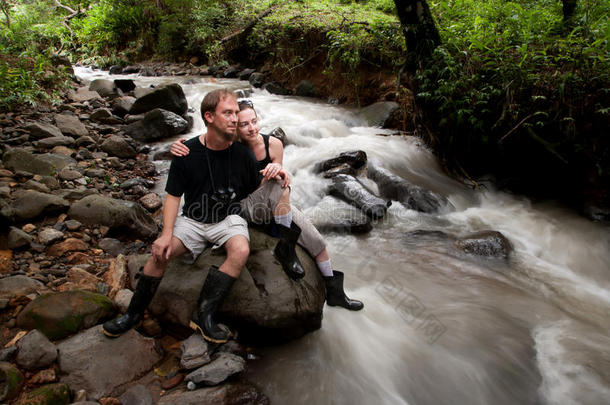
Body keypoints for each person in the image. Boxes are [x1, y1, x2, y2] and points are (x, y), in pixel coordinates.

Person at [103, 89, 305, 344]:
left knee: (240, 250)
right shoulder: (186, 153)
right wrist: (166, 235)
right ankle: (132, 314)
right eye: (228, 113)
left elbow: (254, 191)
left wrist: (276, 174)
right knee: (159, 253)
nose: (235, 119)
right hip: (193, 221)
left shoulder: (242, 153)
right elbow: (173, 196)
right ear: (209, 117)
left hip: (229, 219)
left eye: (236, 113)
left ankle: (204, 315)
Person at [170, 99, 363, 311]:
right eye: (244, 124)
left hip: (274, 204)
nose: (252, 128)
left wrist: (277, 171)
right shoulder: (229, 145)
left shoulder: (274, 144)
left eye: (254, 121)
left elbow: (281, 186)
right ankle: (286, 248)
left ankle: (335, 293)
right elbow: (202, 144)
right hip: (241, 207)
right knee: (278, 182)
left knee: (317, 242)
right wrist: (178, 145)